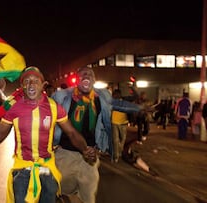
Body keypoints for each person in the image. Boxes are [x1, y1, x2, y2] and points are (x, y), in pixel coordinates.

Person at [0, 66, 97, 203]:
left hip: (47, 169)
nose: (31, 84)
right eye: (27, 81)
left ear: (43, 85)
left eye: (35, 80)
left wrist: (85, 149)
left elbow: (72, 133)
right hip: (22, 170)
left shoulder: (54, 107)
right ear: (22, 86)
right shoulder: (14, 108)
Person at [51, 66, 141, 203]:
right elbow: (44, 109)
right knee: (60, 193)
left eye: (90, 74)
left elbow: (118, 104)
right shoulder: (62, 96)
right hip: (65, 155)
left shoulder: (102, 96)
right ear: (77, 79)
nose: (87, 75)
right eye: (83, 74)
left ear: (94, 80)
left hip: (90, 157)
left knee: (88, 197)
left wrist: (139, 108)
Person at [111, 89, 129, 163]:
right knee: (115, 140)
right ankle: (116, 156)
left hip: (123, 123)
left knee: (122, 139)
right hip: (114, 122)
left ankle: (119, 151)